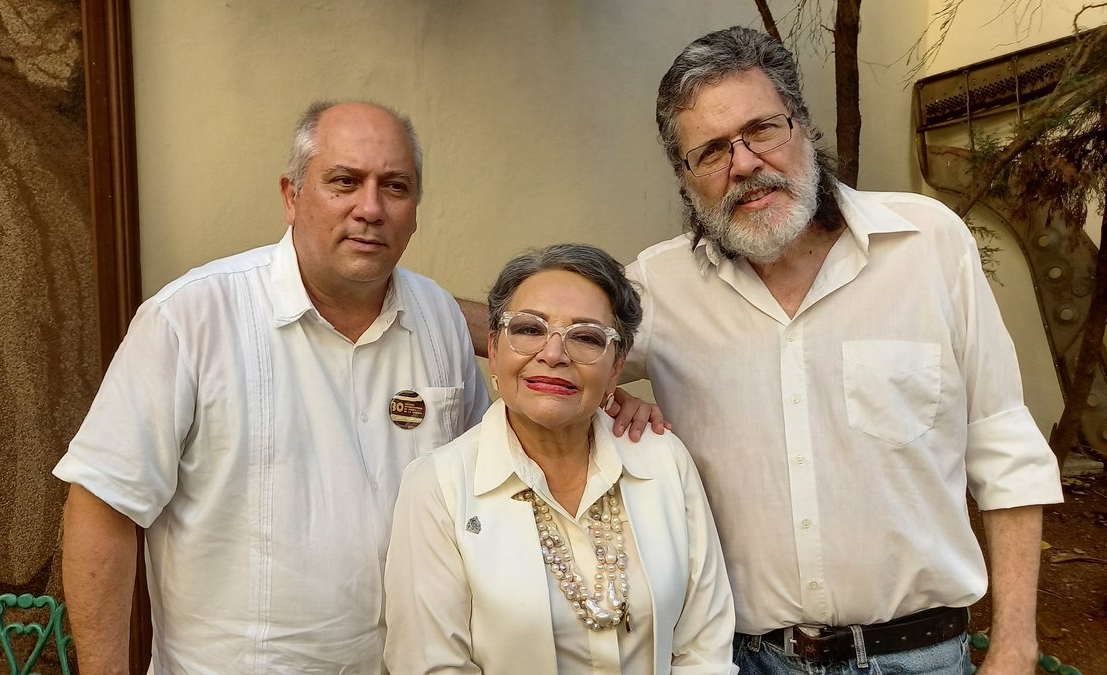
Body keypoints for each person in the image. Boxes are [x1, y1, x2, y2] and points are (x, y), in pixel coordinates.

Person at [622, 26, 1064, 674]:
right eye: (711, 151)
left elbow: (1004, 448)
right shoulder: (660, 286)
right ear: (686, 180)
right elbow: (538, 340)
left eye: (762, 129)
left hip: (922, 658)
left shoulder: (930, 244)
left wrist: (1016, 645)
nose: (743, 163)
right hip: (747, 659)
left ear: (803, 125)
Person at [54, 101, 489, 674]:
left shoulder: (439, 318)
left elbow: (480, 491)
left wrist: (605, 396)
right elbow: (102, 507)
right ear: (291, 195)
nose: (370, 208)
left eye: (396, 186)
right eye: (344, 182)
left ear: (415, 211)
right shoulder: (191, 319)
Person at [384, 244, 737, 674]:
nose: (553, 354)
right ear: (494, 350)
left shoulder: (664, 461)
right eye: (529, 330)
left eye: (586, 337)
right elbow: (431, 664)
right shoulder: (438, 486)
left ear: (616, 366)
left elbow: (705, 646)